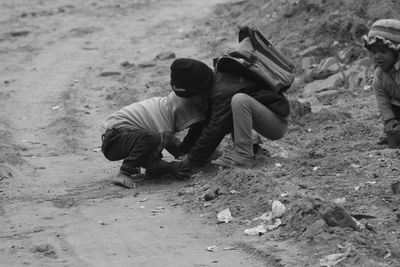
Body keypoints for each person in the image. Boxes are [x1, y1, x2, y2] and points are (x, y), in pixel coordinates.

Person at [101, 59, 214, 188]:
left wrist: (186, 155)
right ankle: (124, 172)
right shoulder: (164, 128)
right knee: (151, 138)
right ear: (183, 119)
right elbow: (148, 158)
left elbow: (172, 144)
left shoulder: (165, 109)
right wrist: (170, 167)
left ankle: (152, 171)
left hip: (117, 135)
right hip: (115, 141)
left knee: (154, 139)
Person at [171, 49, 290, 170]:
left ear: (197, 91)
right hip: (265, 115)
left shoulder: (223, 92)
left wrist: (192, 160)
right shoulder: (215, 81)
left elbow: (215, 130)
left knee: (239, 101)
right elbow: (204, 123)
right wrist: (184, 149)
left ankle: (244, 156)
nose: (191, 101)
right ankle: (251, 148)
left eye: (190, 97)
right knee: (232, 109)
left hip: (276, 124)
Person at [362, 19, 400, 148]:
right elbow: (382, 99)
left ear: (396, 52)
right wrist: (390, 119)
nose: (377, 57)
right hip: (397, 106)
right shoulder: (379, 74)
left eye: (383, 52)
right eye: (373, 52)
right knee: (391, 124)